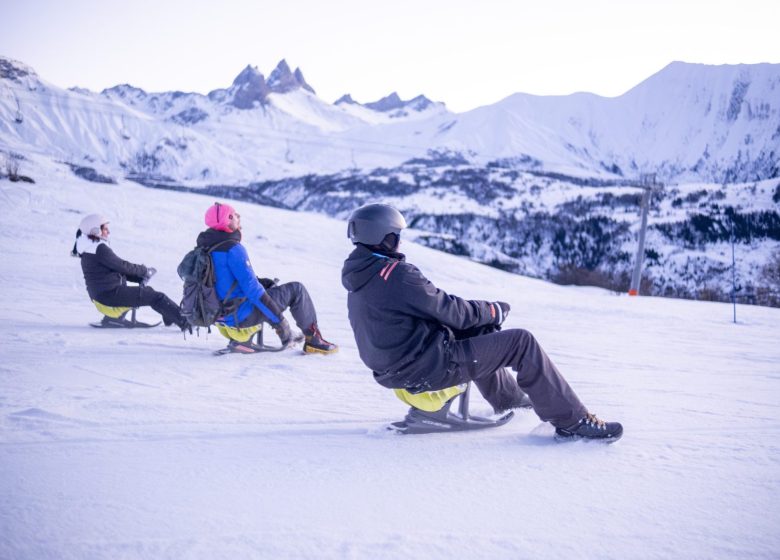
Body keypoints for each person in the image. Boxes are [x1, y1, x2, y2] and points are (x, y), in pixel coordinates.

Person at [341, 203, 623, 442]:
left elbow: (437, 312)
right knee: (520, 341)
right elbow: (451, 310)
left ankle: (508, 399)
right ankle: (572, 422)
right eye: (396, 235)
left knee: (478, 331)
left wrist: (480, 321)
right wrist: (492, 311)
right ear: (385, 237)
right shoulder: (397, 275)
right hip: (426, 369)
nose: (399, 241)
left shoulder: (362, 278)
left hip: (398, 370)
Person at [196, 202, 337, 354]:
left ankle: (242, 341)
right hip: (240, 320)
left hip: (222, 320)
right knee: (297, 290)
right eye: (235, 214)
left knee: (268, 289)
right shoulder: (233, 249)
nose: (238, 216)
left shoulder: (206, 248)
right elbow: (253, 291)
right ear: (227, 219)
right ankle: (314, 341)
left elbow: (225, 282)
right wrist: (281, 325)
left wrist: (261, 282)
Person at [74, 213, 189, 331]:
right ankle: (185, 322)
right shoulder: (99, 249)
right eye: (105, 229)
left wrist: (138, 277)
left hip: (103, 296)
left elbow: (114, 270)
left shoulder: (89, 249)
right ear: (96, 230)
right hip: (110, 296)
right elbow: (122, 266)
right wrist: (144, 270)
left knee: (144, 292)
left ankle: (115, 319)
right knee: (156, 297)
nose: (108, 232)